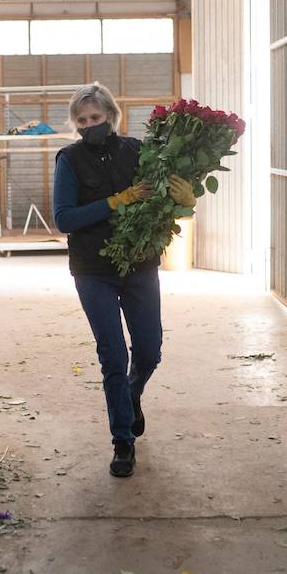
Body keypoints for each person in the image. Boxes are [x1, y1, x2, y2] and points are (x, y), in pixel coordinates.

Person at [52, 83, 196, 477]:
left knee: (149, 351)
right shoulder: (69, 159)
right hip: (93, 270)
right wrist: (115, 201)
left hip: (139, 266)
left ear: (111, 116)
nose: (89, 125)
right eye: (81, 120)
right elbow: (64, 218)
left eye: (95, 118)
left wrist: (187, 200)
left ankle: (131, 396)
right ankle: (122, 442)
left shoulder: (138, 152)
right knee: (113, 356)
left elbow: (166, 204)